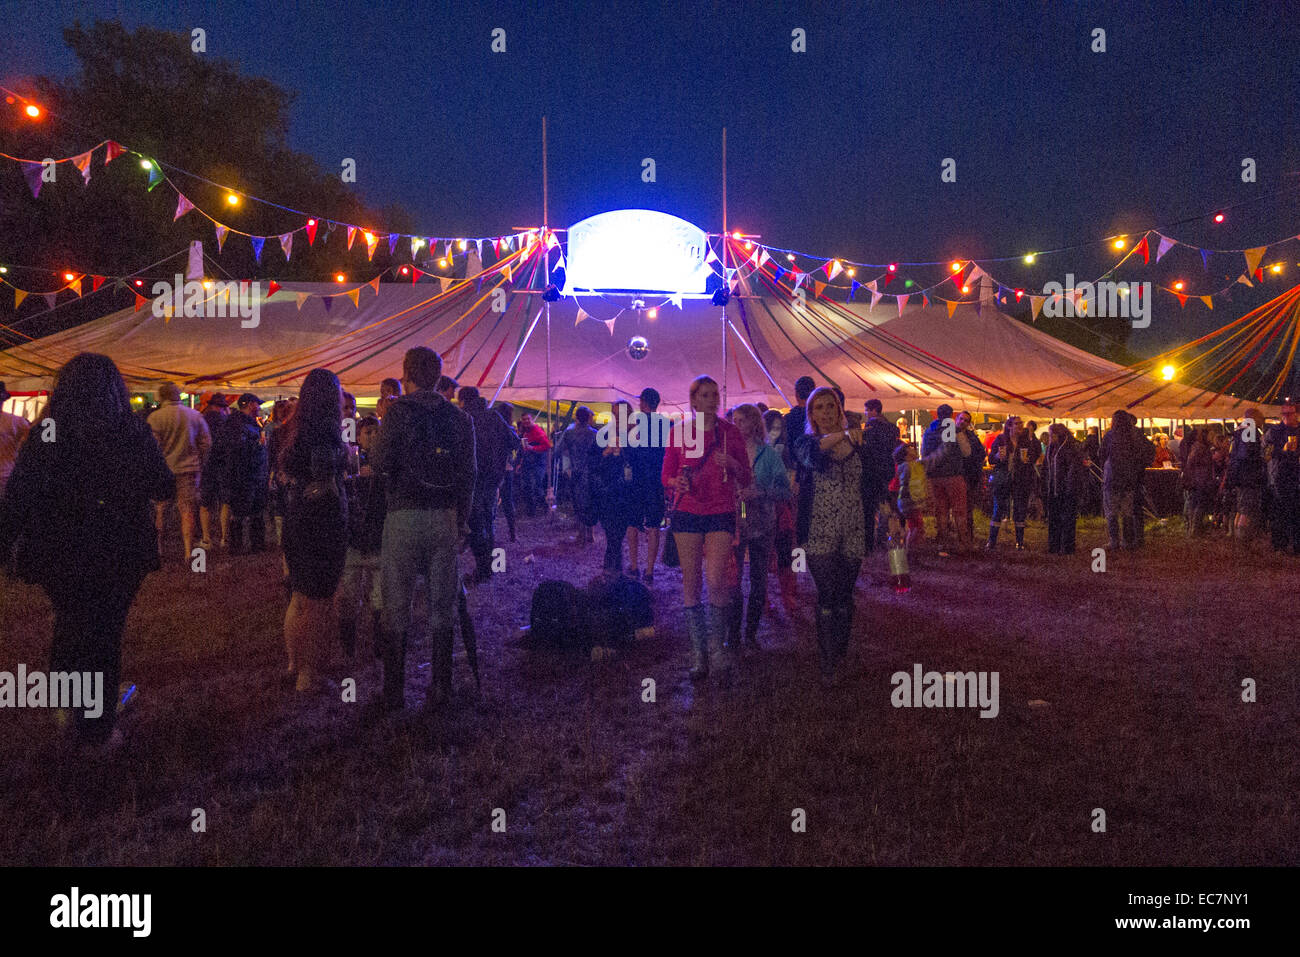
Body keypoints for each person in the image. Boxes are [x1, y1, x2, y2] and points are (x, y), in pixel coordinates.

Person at [0, 354, 175, 748]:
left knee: (70, 622)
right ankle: (96, 727)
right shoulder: (129, 431)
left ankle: (68, 706)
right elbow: (163, 485)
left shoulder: (48, 432)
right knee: (104, 633)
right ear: (115, 390)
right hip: (117, 548)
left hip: (58, 549)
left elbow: (20, 493)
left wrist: (9, 540)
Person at [371, 347, 475, 711]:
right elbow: (469, 474)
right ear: (438, 376)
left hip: (402, 512)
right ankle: (442, 687)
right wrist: (461, 520)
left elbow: (380, 461)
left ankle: (394, 692)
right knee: (442, 604)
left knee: (396, 603)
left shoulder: (398, 412)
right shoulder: (459, 418)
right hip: (444, 516)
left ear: (405, 374)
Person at [662, 375, 752, 681]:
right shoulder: (679, 433)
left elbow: (747, 477)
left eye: (715, 394)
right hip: (688, 511)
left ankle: (717, 650)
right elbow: (666, 476)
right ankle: (699, 654)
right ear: (693, 400)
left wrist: (735, 466)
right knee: (691, 582)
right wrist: (677, 482)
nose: (712, 399)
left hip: (721, 512)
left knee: (716, 579)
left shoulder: (730, 433)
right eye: (705, 394)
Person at [792, 387, 878, 685]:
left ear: (839, 409)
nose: (826, 412)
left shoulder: (859, 445)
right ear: (811, 414)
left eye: (831, 406)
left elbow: (872, 481)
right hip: (819, 528)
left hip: (854, 525)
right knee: (827, 594)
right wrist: (845, 435)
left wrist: (889, 514)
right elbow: (813, 458)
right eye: (819, 408)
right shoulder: (806, 442)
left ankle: (840, 650)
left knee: (845, 594)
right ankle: (828, 662)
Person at [275, 370, 350, 693]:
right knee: (319, 599)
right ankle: (309, 674)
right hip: (322, 519)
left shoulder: (293, 429)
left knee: (299, 594)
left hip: (297, 515)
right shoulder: (326, 432)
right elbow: (327, 480)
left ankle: (294, 664)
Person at [728, 403, 791, 650]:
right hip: (734, 523)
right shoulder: (729, 452)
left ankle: (751, 634)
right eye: (733, 420)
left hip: (763, 522)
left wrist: (761, 491)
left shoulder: (770, 455)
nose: (736, 425)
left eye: (741, 420)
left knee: (758, 580)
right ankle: (733, 635)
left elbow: (785, 491)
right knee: (733, 581)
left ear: (754, 423)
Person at [338, 414, 385, 660]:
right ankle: (348, 648)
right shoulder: (349, 462)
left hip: (378, 540)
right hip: (354, 542)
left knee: (380, 597)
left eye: (377, 433)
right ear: (358, 436)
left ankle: (379, 646)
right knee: (349, 596)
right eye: (368, 433)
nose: (373, 437)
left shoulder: (387, 463)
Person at [147, 382, 211, 562]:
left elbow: (152, 447)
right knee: (187, 510)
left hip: (164, 469)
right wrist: (200, 461)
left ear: (161, 397)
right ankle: (188, 551)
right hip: (189, 469)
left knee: (161, 509)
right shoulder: (195, 416)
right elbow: (206, 443)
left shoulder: (155, 418)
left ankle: (159, 548)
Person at [458, 386, 514, 583]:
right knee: (488, 523)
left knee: (474, 524)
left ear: (463, 401)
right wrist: (500, 460)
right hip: (492, 479)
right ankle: (488, 568)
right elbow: (514, 441)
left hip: (473, 480)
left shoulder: (464, 418)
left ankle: (483, 568)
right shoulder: (495, 417)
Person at [212, 393, 267, 553]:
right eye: (257, 404)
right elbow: (237, 450)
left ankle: (256, 544)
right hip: (243, 474)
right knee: (241, 511)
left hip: (251, 473)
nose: (259, 407)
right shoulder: (238, 424)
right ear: (250, 404)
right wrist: (257, 445)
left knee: (254, 510)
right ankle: (238, 547)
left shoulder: (245, 423)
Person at [590, 400, 641, 573]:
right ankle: (613, 569)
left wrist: (626, 450)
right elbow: (592, 463)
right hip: (607, 489)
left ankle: (612, 570)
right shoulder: (603, 435)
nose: (617, 418)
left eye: (621, 414)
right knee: (612, 532)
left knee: (616, 533)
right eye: (615, 414)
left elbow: (641, 463)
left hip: (627, 491)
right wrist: (606, 452)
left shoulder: (637, 434)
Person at [626, 387, 668, 583]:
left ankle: (634, 565)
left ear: (643, 402)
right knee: (653, 525)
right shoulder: (667, 425)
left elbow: (628, 453)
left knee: (633, 523)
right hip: (657, 481)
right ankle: (649, 569)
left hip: (637, 480)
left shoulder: (635, 425)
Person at [920, 404, 971, 555]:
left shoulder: (929, 431)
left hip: (935, 477)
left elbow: (923, 452)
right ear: (951, 415)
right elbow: (966, 452)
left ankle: (942, 542)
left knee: (941, 510)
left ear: (936, 414)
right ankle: (963, 543)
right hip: (953, 475)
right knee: (959, 511)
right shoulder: (953, 429)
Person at [763, 408, 799, 609]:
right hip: (761, 510)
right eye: (770, 428)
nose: (774, 433)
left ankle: (788, 595)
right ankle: (764, 598)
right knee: (764, 556)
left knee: (787, 554)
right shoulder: (756, 451)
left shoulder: (785, 451)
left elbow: (790, 484)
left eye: (778, 429)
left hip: (782, 510)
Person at [986, 416, 1037, 550]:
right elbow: (991, 459)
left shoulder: (1025, 441)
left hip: (1020, 480)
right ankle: (991, 541)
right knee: (999, 508)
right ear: (1009, 426)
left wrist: (1028, 460)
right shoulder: (1001, 439)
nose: (1020, 426)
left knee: (1020, 510)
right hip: (1003, 479)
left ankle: (1019, 542)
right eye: (1017, 424)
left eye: (1021, 423)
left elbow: (1034, 456)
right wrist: (997, 456)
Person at [1100, 410, 1143, 550]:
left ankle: (1114, 541)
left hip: (1112, 479)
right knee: (1127, 512)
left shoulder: (1110, 436)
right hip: (1128, 479)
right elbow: (1141, 454)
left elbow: (1102, 453)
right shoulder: (1133, 436)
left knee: (1111, 511)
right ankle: (1127, 541)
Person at [556, 406, 599, 545]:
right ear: (588, 418)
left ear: (576, 417)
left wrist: (566, 462)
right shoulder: (594, 433)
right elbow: (600, 454)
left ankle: (580, 534)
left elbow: (557, 450)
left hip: (575, 472)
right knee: (591, 503)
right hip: (591, 473)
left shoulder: (569, 433)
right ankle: (591, 534)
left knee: (578, 504)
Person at [862, 399, 900, 549]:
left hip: (872, 471)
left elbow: (867, 449)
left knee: (870, 507)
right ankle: (883, 534)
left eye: (867, 410)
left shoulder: (871, 426)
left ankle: (869, 540)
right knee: (884, 504)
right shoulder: (891, 427)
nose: (865, 413)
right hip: (887, 471)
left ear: (873, 410)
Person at [1264, 399, 1300, 554]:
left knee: (1297, 511)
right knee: (1281, 510)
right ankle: (1280, 545)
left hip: (1297, 474)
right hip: (1281, 476)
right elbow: (1266, 454)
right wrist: (1283, 450)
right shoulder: (1275, 431)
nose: (1286, 417)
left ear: (1297, 414)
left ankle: (1297, 545)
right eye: (1283, 414)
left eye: (1289, 413)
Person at [1226, 408, 1266, 542]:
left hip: (1239, 476)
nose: (1262, 421)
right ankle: (1243, 539)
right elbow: (1246, 455)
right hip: (1248, 476)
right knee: (1247, 509)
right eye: (1261, 418)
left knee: (1241, 507)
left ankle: (1237, 536)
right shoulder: (1249, 431)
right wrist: (1262, 459)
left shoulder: (1238, 432)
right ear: (1253, 418)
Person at [1044, 424, 1084, 554]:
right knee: (1054, 518)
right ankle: (1054, 545)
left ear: (1058, 435)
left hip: (1066, 489)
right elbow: (1047, 467)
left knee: (1067, 519)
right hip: (1053, 488)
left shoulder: (1070, 448)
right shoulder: (1051, 448)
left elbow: (1073, 471)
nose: (1049, 438)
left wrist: (1069, 487)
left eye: (1051, 435)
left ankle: (1067, 547)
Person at [197, 394, 229, 548]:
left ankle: (206, 538)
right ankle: (224, 537)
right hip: (223, 464)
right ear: (222, 407)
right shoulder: (226, 421)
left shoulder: (202, 420)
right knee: (224, 501)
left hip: (207, 465)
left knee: (205, 503)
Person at [955, 411, 987, 540]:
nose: (963, 422)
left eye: (966, 420)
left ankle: (968, 535)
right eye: (961, 419)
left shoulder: (971, 436)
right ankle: (960, 535)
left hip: (970, 475)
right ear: (956, 419)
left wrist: (974, 460)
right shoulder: (950, 435)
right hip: (957, 474)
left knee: (968, 507)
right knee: (959, 507)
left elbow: (981, 453)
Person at [0, 382, 32, 500]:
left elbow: (34, 440)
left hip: (5, 478)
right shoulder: (16, 421)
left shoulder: (16, 422)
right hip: (6, 477)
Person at [892, 442, 927, 549]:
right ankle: (910, 550)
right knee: (917, 527)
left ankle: (911, 549)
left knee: (914, 526)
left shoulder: (905, 466)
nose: (914, 450)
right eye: (911, 450)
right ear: (907, 456)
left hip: (907, 501)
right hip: (910, 501)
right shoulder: (908, 466)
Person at [496, 403, 522, 542]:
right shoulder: (508, 428)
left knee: (492, 498)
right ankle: (512, 532)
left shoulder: (493, 427)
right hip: (505, 468)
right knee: (507, 499)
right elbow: (515, 444)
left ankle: (489, 531)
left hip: (493, 467)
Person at [517, 411, 551, 516]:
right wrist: (519, 463)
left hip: (538, 463)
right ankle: (531, 510)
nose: (526, 421)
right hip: (527, 462)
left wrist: (534, 448)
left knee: (537, 486)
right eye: (524, 419)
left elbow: (547, 446)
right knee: (526, 486)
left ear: (532, 420)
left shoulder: (537, 431)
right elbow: (522, 450)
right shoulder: (523, 431)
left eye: (528, 419)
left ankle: (545, 507)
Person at [781, 376, 816, 472]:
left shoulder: (788, 418)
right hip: (816, 463)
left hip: (796, 466)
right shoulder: (817, 416)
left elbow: (787, 444)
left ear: (796, 394)